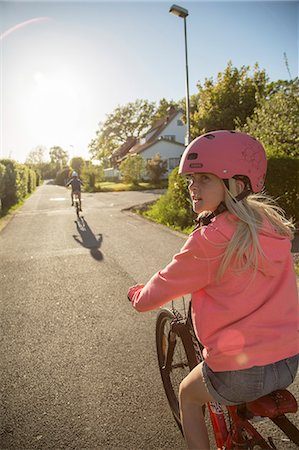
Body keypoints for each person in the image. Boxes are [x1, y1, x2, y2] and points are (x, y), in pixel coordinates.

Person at [127, 130, 298, 449]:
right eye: (190, 179)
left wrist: (137, 295)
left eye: (204, 178)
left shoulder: (210, 240)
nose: (193, 187)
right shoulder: (272, 227)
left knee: (187, 398)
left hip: (239, 372)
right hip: (288, 362)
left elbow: (160, 287)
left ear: (237, 184)